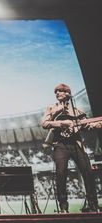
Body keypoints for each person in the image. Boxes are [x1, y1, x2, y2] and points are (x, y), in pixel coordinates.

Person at [41, 83, 100, 213]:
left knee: (88, 173)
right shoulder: (52, 108)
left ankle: (93, 204)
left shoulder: (77, 111)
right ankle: (63, 206)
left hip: (76, 143)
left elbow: (87, 126)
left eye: (60, 91)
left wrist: (98, 124)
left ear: (67, 93)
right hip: (60, 145)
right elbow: (44, 123)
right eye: (56, 92)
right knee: (61, 174)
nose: (57, 93)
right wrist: (60, 123)